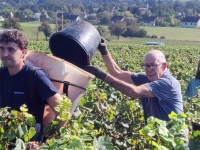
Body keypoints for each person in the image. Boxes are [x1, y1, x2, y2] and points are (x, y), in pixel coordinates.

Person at [84, 38, 188, 147]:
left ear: (164, 66)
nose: (149, 69)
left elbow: (133, 92)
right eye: (146, 65)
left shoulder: (168, 83)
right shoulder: (147, 78)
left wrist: (101, 75)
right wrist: (104, 50)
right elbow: (117, 73)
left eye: (153, 65)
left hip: (175, 140)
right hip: (160, 137)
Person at [0, 30, 67, 143]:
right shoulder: (1, 74)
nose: (5, 54)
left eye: (11, 49)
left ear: (23, 52)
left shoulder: (35, 76)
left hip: (29, 143)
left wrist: (48, 141)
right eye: (1, 48)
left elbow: (63, 110)